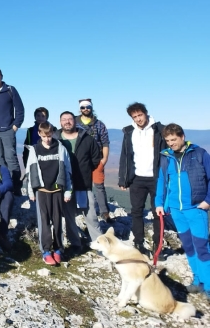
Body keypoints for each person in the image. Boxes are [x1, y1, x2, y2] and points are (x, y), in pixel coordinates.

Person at [155, 124, 210, 297]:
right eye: (168, 140)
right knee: (188, 246)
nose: (171, 143)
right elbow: (161, 182)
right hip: (176, 211)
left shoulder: (199, 154)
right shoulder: (166, 157)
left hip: (195, 209)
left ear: (182, 137)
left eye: (174, 139)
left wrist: (208, 201)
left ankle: (208, 286)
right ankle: (197, 281)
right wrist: (159, 203)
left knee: (201, 246)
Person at [118, 102, 165, 257]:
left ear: (146, 113)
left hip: (156, 178)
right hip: (137, 178)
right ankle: (139, 242)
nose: (138, 119)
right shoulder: (129, 132)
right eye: (135, 116)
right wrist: (123, 179)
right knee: (136, 211)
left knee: (158, 212)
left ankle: (158, 246)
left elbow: (166, 155)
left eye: (140, 115)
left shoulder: (159, 130)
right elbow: (125, 156)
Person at [25, 122, 73, 265]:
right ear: (39, 134)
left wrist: (68, 191)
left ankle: (58, 249)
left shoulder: (60, 148)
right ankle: (46, 251)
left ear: (53, 133)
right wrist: (30, 192)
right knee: (44, 222)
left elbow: (67, 170)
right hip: (42, 191)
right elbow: (29, 171)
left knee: (57, 221)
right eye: (44, 136)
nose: (47, 139)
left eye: (49, 135)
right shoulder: (35, 150)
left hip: (57, 190)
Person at [56, 111, 102, 255]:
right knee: (69, 216)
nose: (67, 122)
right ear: (60, 122)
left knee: (91, 215)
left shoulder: (87, 139)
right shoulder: (55, 139)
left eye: (70, 119)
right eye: (64, 119)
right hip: (65, 185)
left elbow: (96, 158)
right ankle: (76, 244)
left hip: (83, 183)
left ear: (75, 121)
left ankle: (99, 244)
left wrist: (85, 169)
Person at [76, 99, 111, 222]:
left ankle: (104, 212)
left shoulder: (99, 124)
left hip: (97, 159)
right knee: (82, 185)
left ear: (91, 108)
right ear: (80, 109)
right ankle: (81, 209)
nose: (85, 109)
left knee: (99, 186)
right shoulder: (74, 122)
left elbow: (105, 142)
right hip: (80, 159)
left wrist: (104, 159)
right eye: (83, 107)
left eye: (88, 107)